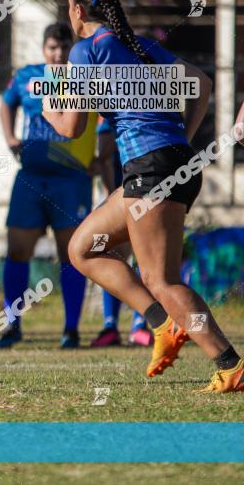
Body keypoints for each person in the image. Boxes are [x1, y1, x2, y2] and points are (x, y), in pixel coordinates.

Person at [44, 0, 243, 392]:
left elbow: (70, 128)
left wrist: (50, 106)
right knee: (83, 248)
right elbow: (202, 83)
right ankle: (163, 324)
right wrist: (182, 142)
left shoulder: (86, 51)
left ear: (78, 11)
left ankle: (231, 366)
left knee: (162, 279)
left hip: (151, 170)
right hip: (166, 165)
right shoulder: (141, 46)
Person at [0, 23, 98, 349]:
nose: (58, 54)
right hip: (31, 176)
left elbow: (107, 119)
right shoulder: (28, 76)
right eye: (52, 47)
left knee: (72, 254)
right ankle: (12, 325)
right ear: (43, 49)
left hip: (70, 180)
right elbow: (5, 101)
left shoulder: (82, 77)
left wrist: (102, 155)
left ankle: (71, 329)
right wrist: (11, 138)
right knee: (17, 249)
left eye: (64, 47)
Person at [90, 118, 152, 347]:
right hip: (124, 188)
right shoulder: (112, 104)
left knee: (141, 257)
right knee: (113, 254)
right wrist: (110, 194)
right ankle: (116, 325)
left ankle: (136, 324)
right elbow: (105, 155)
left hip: (144, 185)